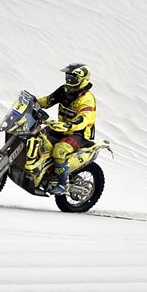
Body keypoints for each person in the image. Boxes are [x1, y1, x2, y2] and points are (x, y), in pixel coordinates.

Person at [24, 63, 98, 196]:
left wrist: (69, 125)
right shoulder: (65, 90)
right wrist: (33, 102)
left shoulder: (87, 99)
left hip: (79, 134)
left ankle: (62, 185)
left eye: (72, 78)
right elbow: (48, 100)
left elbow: (84, 119)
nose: (68, 80)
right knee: (37, 135)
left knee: (60, 150)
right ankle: (39, 170)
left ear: (82, 80)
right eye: (67, 77)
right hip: (62, 128)